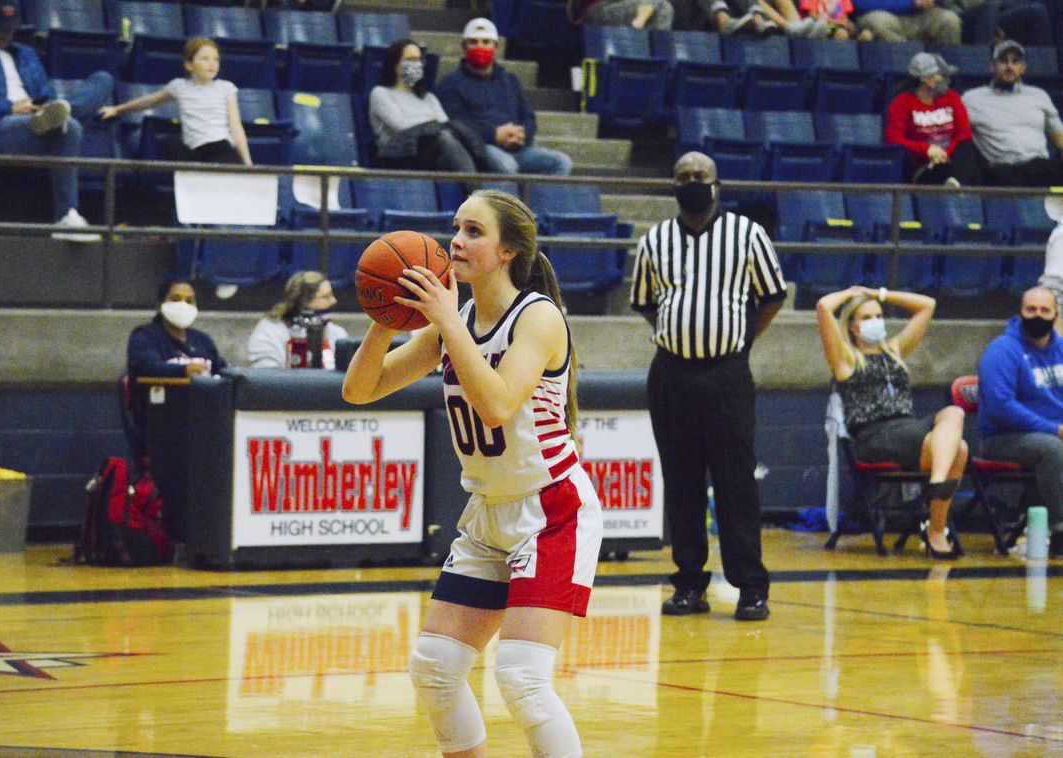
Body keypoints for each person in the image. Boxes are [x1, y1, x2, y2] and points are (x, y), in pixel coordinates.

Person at [342, 189, 603, 757]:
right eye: (455, 228)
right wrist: (387, 317)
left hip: (552, 511)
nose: (456, 241)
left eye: (474, 231)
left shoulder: (537, 318)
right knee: (434, 668)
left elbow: (499, 405)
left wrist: (442, 322)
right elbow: (360, 390)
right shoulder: (449, 322)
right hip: (488, 513)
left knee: (523, 678)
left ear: (507, 250)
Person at [629, 151, 785, 621]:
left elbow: (773, 295)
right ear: (674, 186)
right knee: (681, 484)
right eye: (684, 177)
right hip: (671, 375)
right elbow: (643, 302)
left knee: (737, 484)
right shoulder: (654, 240)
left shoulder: (748, 234)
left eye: (701, 177)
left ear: (717, 184)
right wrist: (682, 333)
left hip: (727, 375)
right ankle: (689, 585)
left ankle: (751, 587)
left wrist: (737, 339)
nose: (693, 182)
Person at [0, 0, 114, 241]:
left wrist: (43, 108)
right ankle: (66, 217)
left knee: (103, 80)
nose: (6, 35)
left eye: (10, 29)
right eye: (0, 28)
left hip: (37, 120)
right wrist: (9, 107)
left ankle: (65, 111)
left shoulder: (27, 55)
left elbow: (45, 93)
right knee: (69, 127)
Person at [816, 286, 969, 558]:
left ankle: (936, 491)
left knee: (955, 418)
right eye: (866, 317)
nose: (875, 322)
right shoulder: (845, 359)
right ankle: (935, 528)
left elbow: (927, 305)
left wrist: (880, 293)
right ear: (851, 326)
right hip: (874, 436)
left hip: (908, 429)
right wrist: (852, 291)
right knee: (959, 449)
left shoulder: (894, 350)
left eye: (878, 315)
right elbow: (824, 307)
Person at [977, 286, 1063, 558]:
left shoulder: (1060, 349)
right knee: (1052, 449)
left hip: (1054, 433)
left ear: (1055, 315)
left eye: (1044, 310)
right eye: (1031, 309)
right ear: (1020, 312)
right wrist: (1054, 428)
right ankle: (1061, 530)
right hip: (1002, 439)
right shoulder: (1002, 350)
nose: (1037, 315)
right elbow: (1000, 406)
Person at [436, 18, 574, 177]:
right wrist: (495, 134)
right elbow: (457, 125)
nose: (480, 46)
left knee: (561, 163)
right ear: (464, 47)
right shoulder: (450, 84)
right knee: (506, 166)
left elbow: (528, 117)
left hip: (517, 148)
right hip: (481, 148)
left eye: (486, 42)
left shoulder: (510, 80)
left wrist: (522, 134)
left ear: (496, 47)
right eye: (473, 42)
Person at [100, 38, 252, 166]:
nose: (212, 63)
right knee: (171, 142)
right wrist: (118, 109)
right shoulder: (179, 86)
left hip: (220, 148)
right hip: (194, 150)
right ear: (189, 65)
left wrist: (248, 163)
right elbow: (149, 101)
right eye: (205, 59)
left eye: (216, 59)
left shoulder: (226, 88)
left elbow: (236, 128)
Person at [125, 280, 227, 460]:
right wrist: (184, 371)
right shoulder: (145, 336)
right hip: (162, 429)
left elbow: (224, 371)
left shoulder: (202, 341)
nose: (183, 305)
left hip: (204, 424)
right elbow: (147, 367)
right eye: (176, 299)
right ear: (160, 304)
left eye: (190, 301)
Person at [368, 39, 482, 174]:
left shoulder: (428, 97)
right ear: (395, 64)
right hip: (398, 155)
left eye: (419, 60)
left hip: (431, 153)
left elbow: (445, 124)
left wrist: (429, 123)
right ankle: (476, 188)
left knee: (457, 139)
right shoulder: (381, 93)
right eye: (410, 59)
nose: (416, 64)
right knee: (444, 138)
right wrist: (429, 120)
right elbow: (400, 125)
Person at [961, 40, 1063, 187]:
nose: (1009, 67)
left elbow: (1059, 137)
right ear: (993, 67)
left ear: (1023, 68)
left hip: (1040, 168)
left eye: (1015, 62)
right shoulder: (972, 99)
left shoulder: (1039, 95)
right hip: (1002, 171)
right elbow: (959, 137)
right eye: (1003, 61)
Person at [884, 52, 979, 186]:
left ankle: (956, 184)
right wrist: (926, 149)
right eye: (942, 76)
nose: (947, 80)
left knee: (968, 147)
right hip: (924, 167)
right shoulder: (902, 103)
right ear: (928, 80)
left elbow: (964, 134)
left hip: (951, 160)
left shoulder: (952, 98)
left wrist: (944, 154)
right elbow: (893, 140)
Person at [247, 270, 348, 369]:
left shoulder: (337, 333)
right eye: (326, 297)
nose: (333, 301)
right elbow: (267, 378)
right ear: (304, 302)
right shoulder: (268, 332)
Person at [852, 0, 962, 44]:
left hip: (919, 17)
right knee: (877, 21)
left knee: (949, 20)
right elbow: (860, 4)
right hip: (880, 16)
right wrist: (910, 4)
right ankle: (911, 68)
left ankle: (944, 79)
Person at [568, 0, 676, 30]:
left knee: (665, 8)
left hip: (635, 5)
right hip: (599, 8)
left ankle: (657, 65)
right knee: (660, 5)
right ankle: (637, 31)